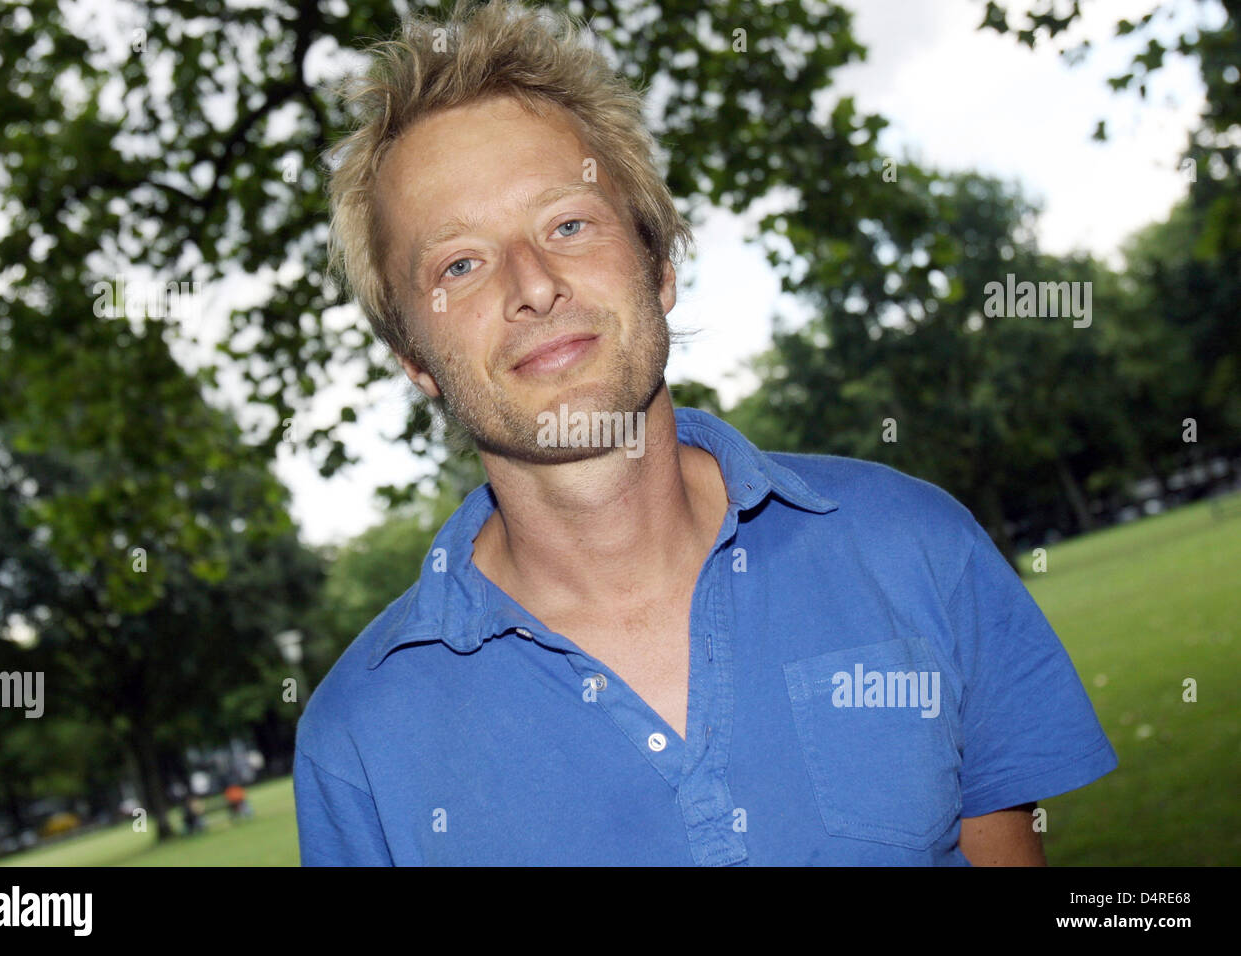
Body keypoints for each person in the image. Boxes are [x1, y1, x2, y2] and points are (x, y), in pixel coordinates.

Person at [294, 0, 1117, 866]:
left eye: (568, 224)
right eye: (459, 263)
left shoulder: (916, 549)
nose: (532, 285)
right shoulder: (356, 746)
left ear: (658, 263)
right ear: (414, 358)